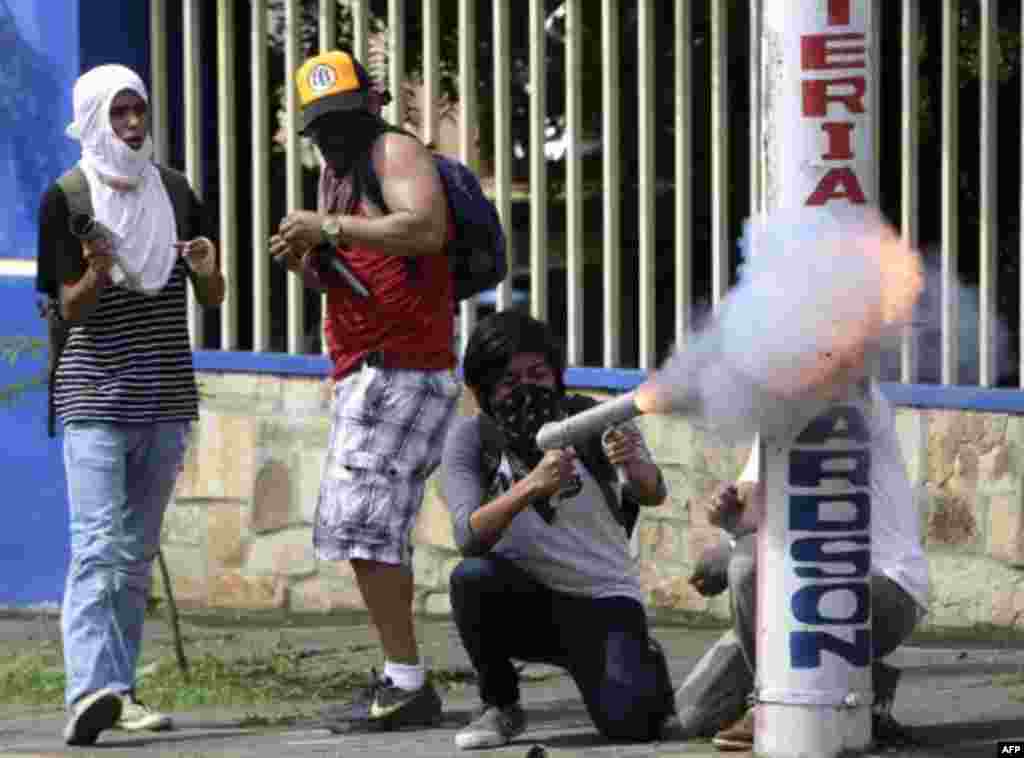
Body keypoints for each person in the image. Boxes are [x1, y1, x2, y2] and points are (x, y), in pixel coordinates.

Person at [270, 50, 460, 732]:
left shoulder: (393, 151)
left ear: (371, 104)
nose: (331, 135)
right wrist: (309, 263)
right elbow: (354, 270)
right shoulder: (338, 173)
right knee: (368, 529)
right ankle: (399, 675)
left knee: (365, 528)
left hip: (402, 366)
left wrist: (331, 227)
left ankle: (407, 682)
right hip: (369, 367)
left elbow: (427, 229)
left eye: (343, 119)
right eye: (320, 125)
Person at [36, 64, 224, 746]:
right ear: (92, 119)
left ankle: (121, 691)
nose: (133, 125)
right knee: (98, 548)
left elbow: (212, 295)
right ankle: (90, 691)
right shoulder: (66, 196)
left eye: (138, 111)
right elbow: (68, 307)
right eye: (118, 114)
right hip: (93, 392)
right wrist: (95, 270)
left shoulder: (173, 191)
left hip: (165, 393)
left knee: (136, 554)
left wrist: (208, 269)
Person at [441, 311, 677, 750]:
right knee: (470, 579)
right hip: (527, 602)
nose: (527, 389)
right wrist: (532, 486)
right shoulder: (471, 441)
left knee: (632, 727)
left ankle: (642, 656)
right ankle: (501, 705)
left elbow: (651, 493)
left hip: (604, 599)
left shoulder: (588, 418)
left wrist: (634, 464)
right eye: (510, 381)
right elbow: (468, 537)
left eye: (538, 374)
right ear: (485, 389)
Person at [686, 379, 929, 752]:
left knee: (746, 564)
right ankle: (865, 682)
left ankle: (766, 704)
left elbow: (766, 540)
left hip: (882, 586)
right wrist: (730, 523)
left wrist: (729, 552)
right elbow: (753, 516)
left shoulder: (852, 395)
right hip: (798, 594)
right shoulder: (774, 410)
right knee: (694, 715)